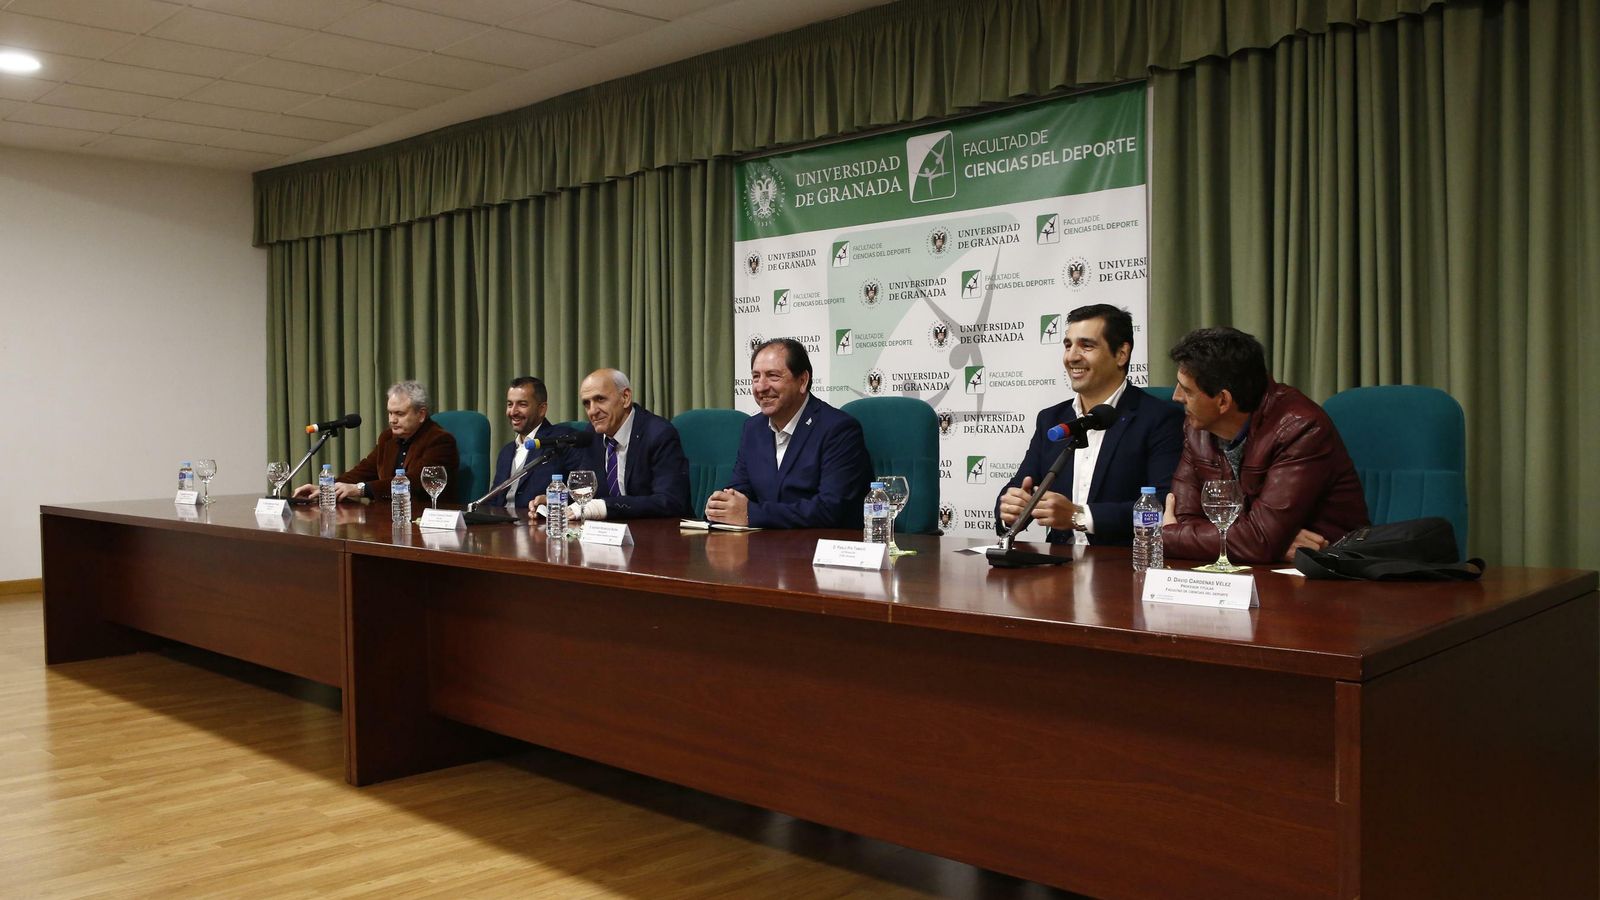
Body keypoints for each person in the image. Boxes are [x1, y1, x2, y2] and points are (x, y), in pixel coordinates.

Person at [1161, 327, 1369, 563]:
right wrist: (1266, 543)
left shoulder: (1300, 427)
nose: (1176, 397)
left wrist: (1168, 536)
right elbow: (1186, 520)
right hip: (1250, 569)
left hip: (1326, 569)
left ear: (1223, 401)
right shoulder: (1196, 429)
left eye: (1187, 390)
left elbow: (1257, 541)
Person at [995, 304, 1184, 544]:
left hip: (1123, 568)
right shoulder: (1052, 420)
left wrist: (1078, 516)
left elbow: (1163, 505)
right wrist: (1010, 511)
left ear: (1121, 354)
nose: (1072, 356)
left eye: (1086, 345)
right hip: (1057, 568)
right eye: (1068, 345)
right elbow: (1021, 485)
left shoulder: (1160, 418)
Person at [706, 338, 872, 529]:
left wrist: (751, 514)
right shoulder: (752, 428)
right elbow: (741, 488)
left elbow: (830, 509)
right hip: (765, 549)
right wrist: (723, 506)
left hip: (820, 549)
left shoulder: (838, 429)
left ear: (802, 381)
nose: (760, 387)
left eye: (773, 376)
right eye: (755, 377)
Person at [535, 368, 689, 520]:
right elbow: (588, 491)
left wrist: (603, 507)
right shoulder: (592, 435)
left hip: (659, 535)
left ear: (625, 397)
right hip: (610, 536)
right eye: (587, 403)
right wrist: (559, 502)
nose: (592, 411)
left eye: (600, 399)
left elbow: (670, 501)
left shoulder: (658, 433)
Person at [294, 380, 458, 505]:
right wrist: (328, 488)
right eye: (390, 413)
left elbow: (415, 482)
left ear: (421, 414)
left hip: (422, 518)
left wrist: (361, 489)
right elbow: (365, 470)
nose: (392, 420)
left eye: (399, 414)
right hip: (385, 517)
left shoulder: (440, 440)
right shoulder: (387, 438)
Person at [489, 376, 576, 511]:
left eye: (522, 404)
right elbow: (493, 501)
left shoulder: (562, 440)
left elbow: (582, 493)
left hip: (538, 526)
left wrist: (552, 501)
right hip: (501, 526)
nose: (513, 412)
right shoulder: (506, 452)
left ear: (542, 409)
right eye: (510, 404)